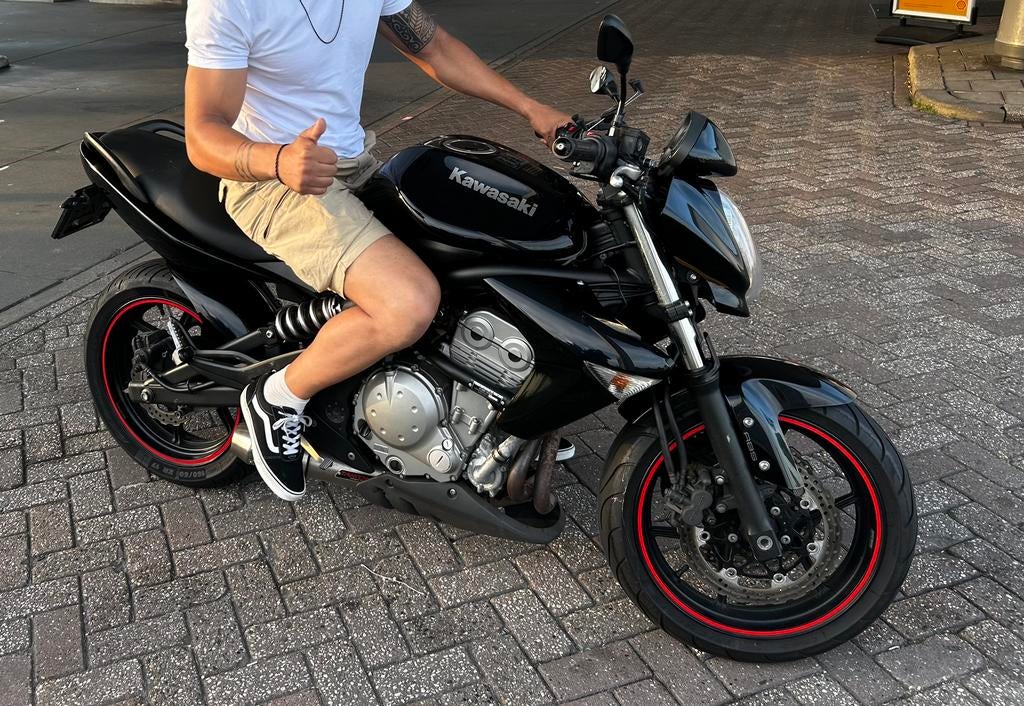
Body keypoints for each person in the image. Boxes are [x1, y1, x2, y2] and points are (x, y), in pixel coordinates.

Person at [184, 1, 571, 501]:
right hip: (270, 181)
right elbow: (203, 132)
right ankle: (277, 397)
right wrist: (277, 160)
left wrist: (531, 108)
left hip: (351, 162)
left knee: (482, 250)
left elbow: (435, 47)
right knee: (407, 303)